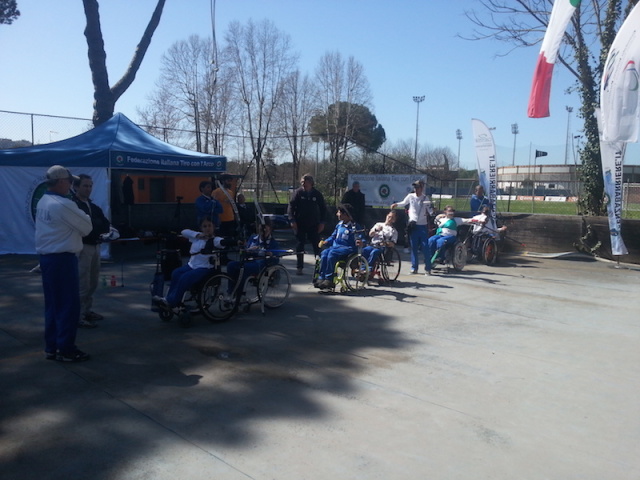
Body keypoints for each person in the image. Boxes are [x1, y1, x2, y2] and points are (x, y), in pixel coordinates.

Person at [35, 165, 93, 362]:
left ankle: (52, 346)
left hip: (48, 258)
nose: (71, 185)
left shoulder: (44, 200)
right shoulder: (63, 205)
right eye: (69, 181)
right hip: (62, 259)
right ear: (60, 182)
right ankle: (66, 349)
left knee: (53, 304)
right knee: (68, 305)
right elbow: (87, 226)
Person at [153, 216, 234, 309]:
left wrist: (235, 241)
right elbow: (184, 232)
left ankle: (171, 301)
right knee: (176, 273)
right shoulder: (197, 237)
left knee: (184, 278)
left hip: (205, 268)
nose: (207, 228)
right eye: (204, 226)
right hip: (191, 265)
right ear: (201, 228)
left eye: (209, 226)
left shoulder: (215, 240)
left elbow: (224, 242)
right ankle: (167, 298)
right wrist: (198, 235)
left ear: (214, 227)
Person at [73, 174, 113, 328]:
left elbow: (104, 224)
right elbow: (84, 227)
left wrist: (93, 225)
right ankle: (77, 315)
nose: (88, 189)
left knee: (93, 282)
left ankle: (86, 310)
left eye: (90, 186)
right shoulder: (74, 205)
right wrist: (94, 226)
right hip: (82, 247)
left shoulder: (93, 206)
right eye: (85, 185)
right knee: (82, 283)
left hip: (96, 246)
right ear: (76, 187)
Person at [314, 203, 364, 290]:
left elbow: (360, 238)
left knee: (332, 253)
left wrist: (361, 242)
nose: (337, 214)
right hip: (336, 247)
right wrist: (326, 241)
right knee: (325, 253)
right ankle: (322, 277)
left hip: (348, 248)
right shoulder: (339, 225)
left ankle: (329, 279)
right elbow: (333, 237)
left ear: (345, 214)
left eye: (339, 212)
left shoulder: (354, 226)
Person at [226, 217, 280, 295]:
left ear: (270, 229)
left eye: (266, 227)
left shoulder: (273, 243)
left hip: (261, 265)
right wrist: (248, 250)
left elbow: (276, 260)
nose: (264, 229)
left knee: (243, 269)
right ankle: (231, 291)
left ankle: (239, 294)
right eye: (261, 226)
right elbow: (244, 252)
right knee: (230, 265)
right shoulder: (253, 238)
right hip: (248, 261)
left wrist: (270, 254)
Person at [391, 179, 433, 274]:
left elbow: (430, 211)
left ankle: (428, 268)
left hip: (422, 225)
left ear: (422, 188)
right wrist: (396, 204)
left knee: (425, 247)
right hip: (413, 225)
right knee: (413, 247)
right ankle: (414, 267)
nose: (416, 189)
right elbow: (403, 203)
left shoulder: (425, 198)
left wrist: (433, 211)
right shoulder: (410, 196)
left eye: (418, 187)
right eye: (415, 187)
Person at [288, 173, 327, 275]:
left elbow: (323, 209)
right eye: (302, 182)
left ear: (310, 183)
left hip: (313, 224)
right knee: (300, 245)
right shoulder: (298, 193)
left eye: (305, 182)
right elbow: (291, 207)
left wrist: (322, 222)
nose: (303, 184)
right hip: (300, 224)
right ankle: (299, 267)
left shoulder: (317, 194)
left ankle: (319, 267)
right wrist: (292, 220)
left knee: (317, 246)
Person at [426, 205, 463, 275]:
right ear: (445, 212)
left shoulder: (457, 220)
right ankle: (430, 258)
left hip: (450, 236)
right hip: (440, 235)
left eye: (452, 211)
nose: (451, 213)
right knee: (430, 240)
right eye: (449, 211)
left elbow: (468, 221)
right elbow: (435, 220)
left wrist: (478, 220)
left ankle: (441, 258)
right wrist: (440, 215)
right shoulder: (441, 219)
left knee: (440, 242)